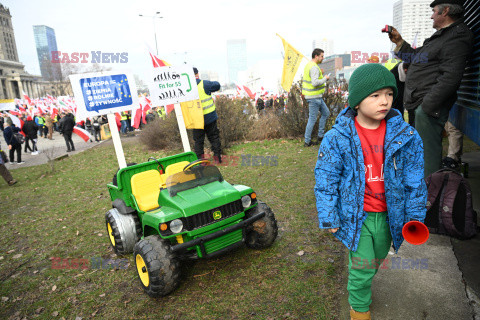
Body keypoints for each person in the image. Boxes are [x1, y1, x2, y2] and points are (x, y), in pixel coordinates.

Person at [314, 64, 427, 320]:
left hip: (390, 215)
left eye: (388, 93)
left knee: (375, 261)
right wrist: (329, 216)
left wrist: (415, 215)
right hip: (357, 215)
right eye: (375, 95)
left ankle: (360, 286)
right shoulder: (337, 137)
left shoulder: (406, 135)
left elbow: (415, 179)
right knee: (362, 268)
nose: (384, 101)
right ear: (356, 101)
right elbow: (326, 178)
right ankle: (359, 308)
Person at [388, 0, 474, 177]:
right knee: (420, 154)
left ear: (446, 11)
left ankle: (430, 199)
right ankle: (423, 193)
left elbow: (450, 77)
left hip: (428, 107)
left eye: (434, 11)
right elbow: (413, 57)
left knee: (428, 158)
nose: (431, 15)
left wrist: (426, 107)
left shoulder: (457, 36)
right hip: (421, 105)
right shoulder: (442, 37)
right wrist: (399, 41)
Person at [192, 67, 222, 163]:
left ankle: (200, 161)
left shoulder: (186, 88)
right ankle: (217, 159)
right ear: (197, 74)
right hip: (210, 118)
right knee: (214, 138)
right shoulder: (204, 84)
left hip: (196, 120)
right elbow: (217, 85)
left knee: (198, 141)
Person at [302, 48, 330, 147]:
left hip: (316, 97)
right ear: (316, 56)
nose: (323, 58)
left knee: (326, 113)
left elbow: (312, 79)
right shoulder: (313, 67)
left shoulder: (310, 66)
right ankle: (307, 141)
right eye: (322, 56)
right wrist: (325, 78)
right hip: (314, 97)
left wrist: (320, 75)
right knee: (312, 119)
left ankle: (320, 136)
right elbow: (314, 83)